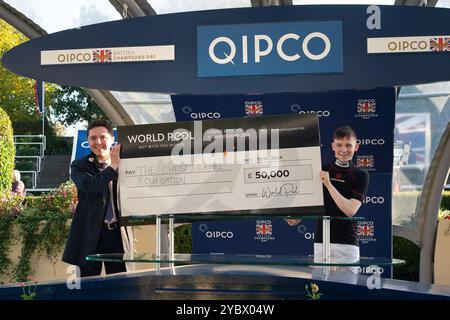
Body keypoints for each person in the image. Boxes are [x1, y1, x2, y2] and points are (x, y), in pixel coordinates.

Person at [286, 126, 369, 271]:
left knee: (347, 290)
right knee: (320, 291)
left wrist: (329, 184)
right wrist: (297, 217)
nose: (344, 150)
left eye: (348, 145)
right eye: (339, 145)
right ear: (333, 146)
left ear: (356, 147)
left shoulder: (361, 175)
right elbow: (311, 203)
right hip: (321, 242)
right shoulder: (321, 170)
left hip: (347, 243)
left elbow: (350, 210)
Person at [62, 120, 133, 277]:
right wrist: (113, 166)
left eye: (103, 137)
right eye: (93, 138)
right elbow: (91, 186)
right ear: (88, 141)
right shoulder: (79, 166)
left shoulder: (127, 164)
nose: (98, 142)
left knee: (119, 285)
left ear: (112, 138)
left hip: (116, 234)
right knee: (88, 287)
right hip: (89, 234)